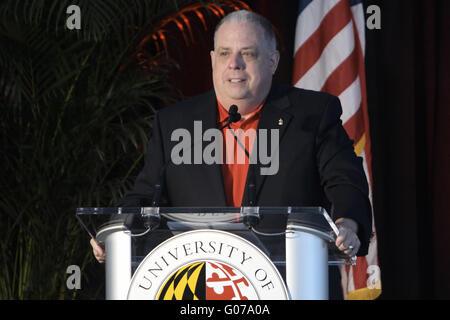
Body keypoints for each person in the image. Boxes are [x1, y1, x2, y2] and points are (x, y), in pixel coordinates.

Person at [90, 10, 372, 299]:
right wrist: (116, 229)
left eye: (247, 54)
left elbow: (344, 180)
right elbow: (146, 194)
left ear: (273, 61)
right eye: (225, 53)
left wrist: (346, 224)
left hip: (293, 283)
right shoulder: (176, 122)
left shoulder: (312, 114)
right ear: (213, 60)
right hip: (200, 289)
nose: (234, 64)